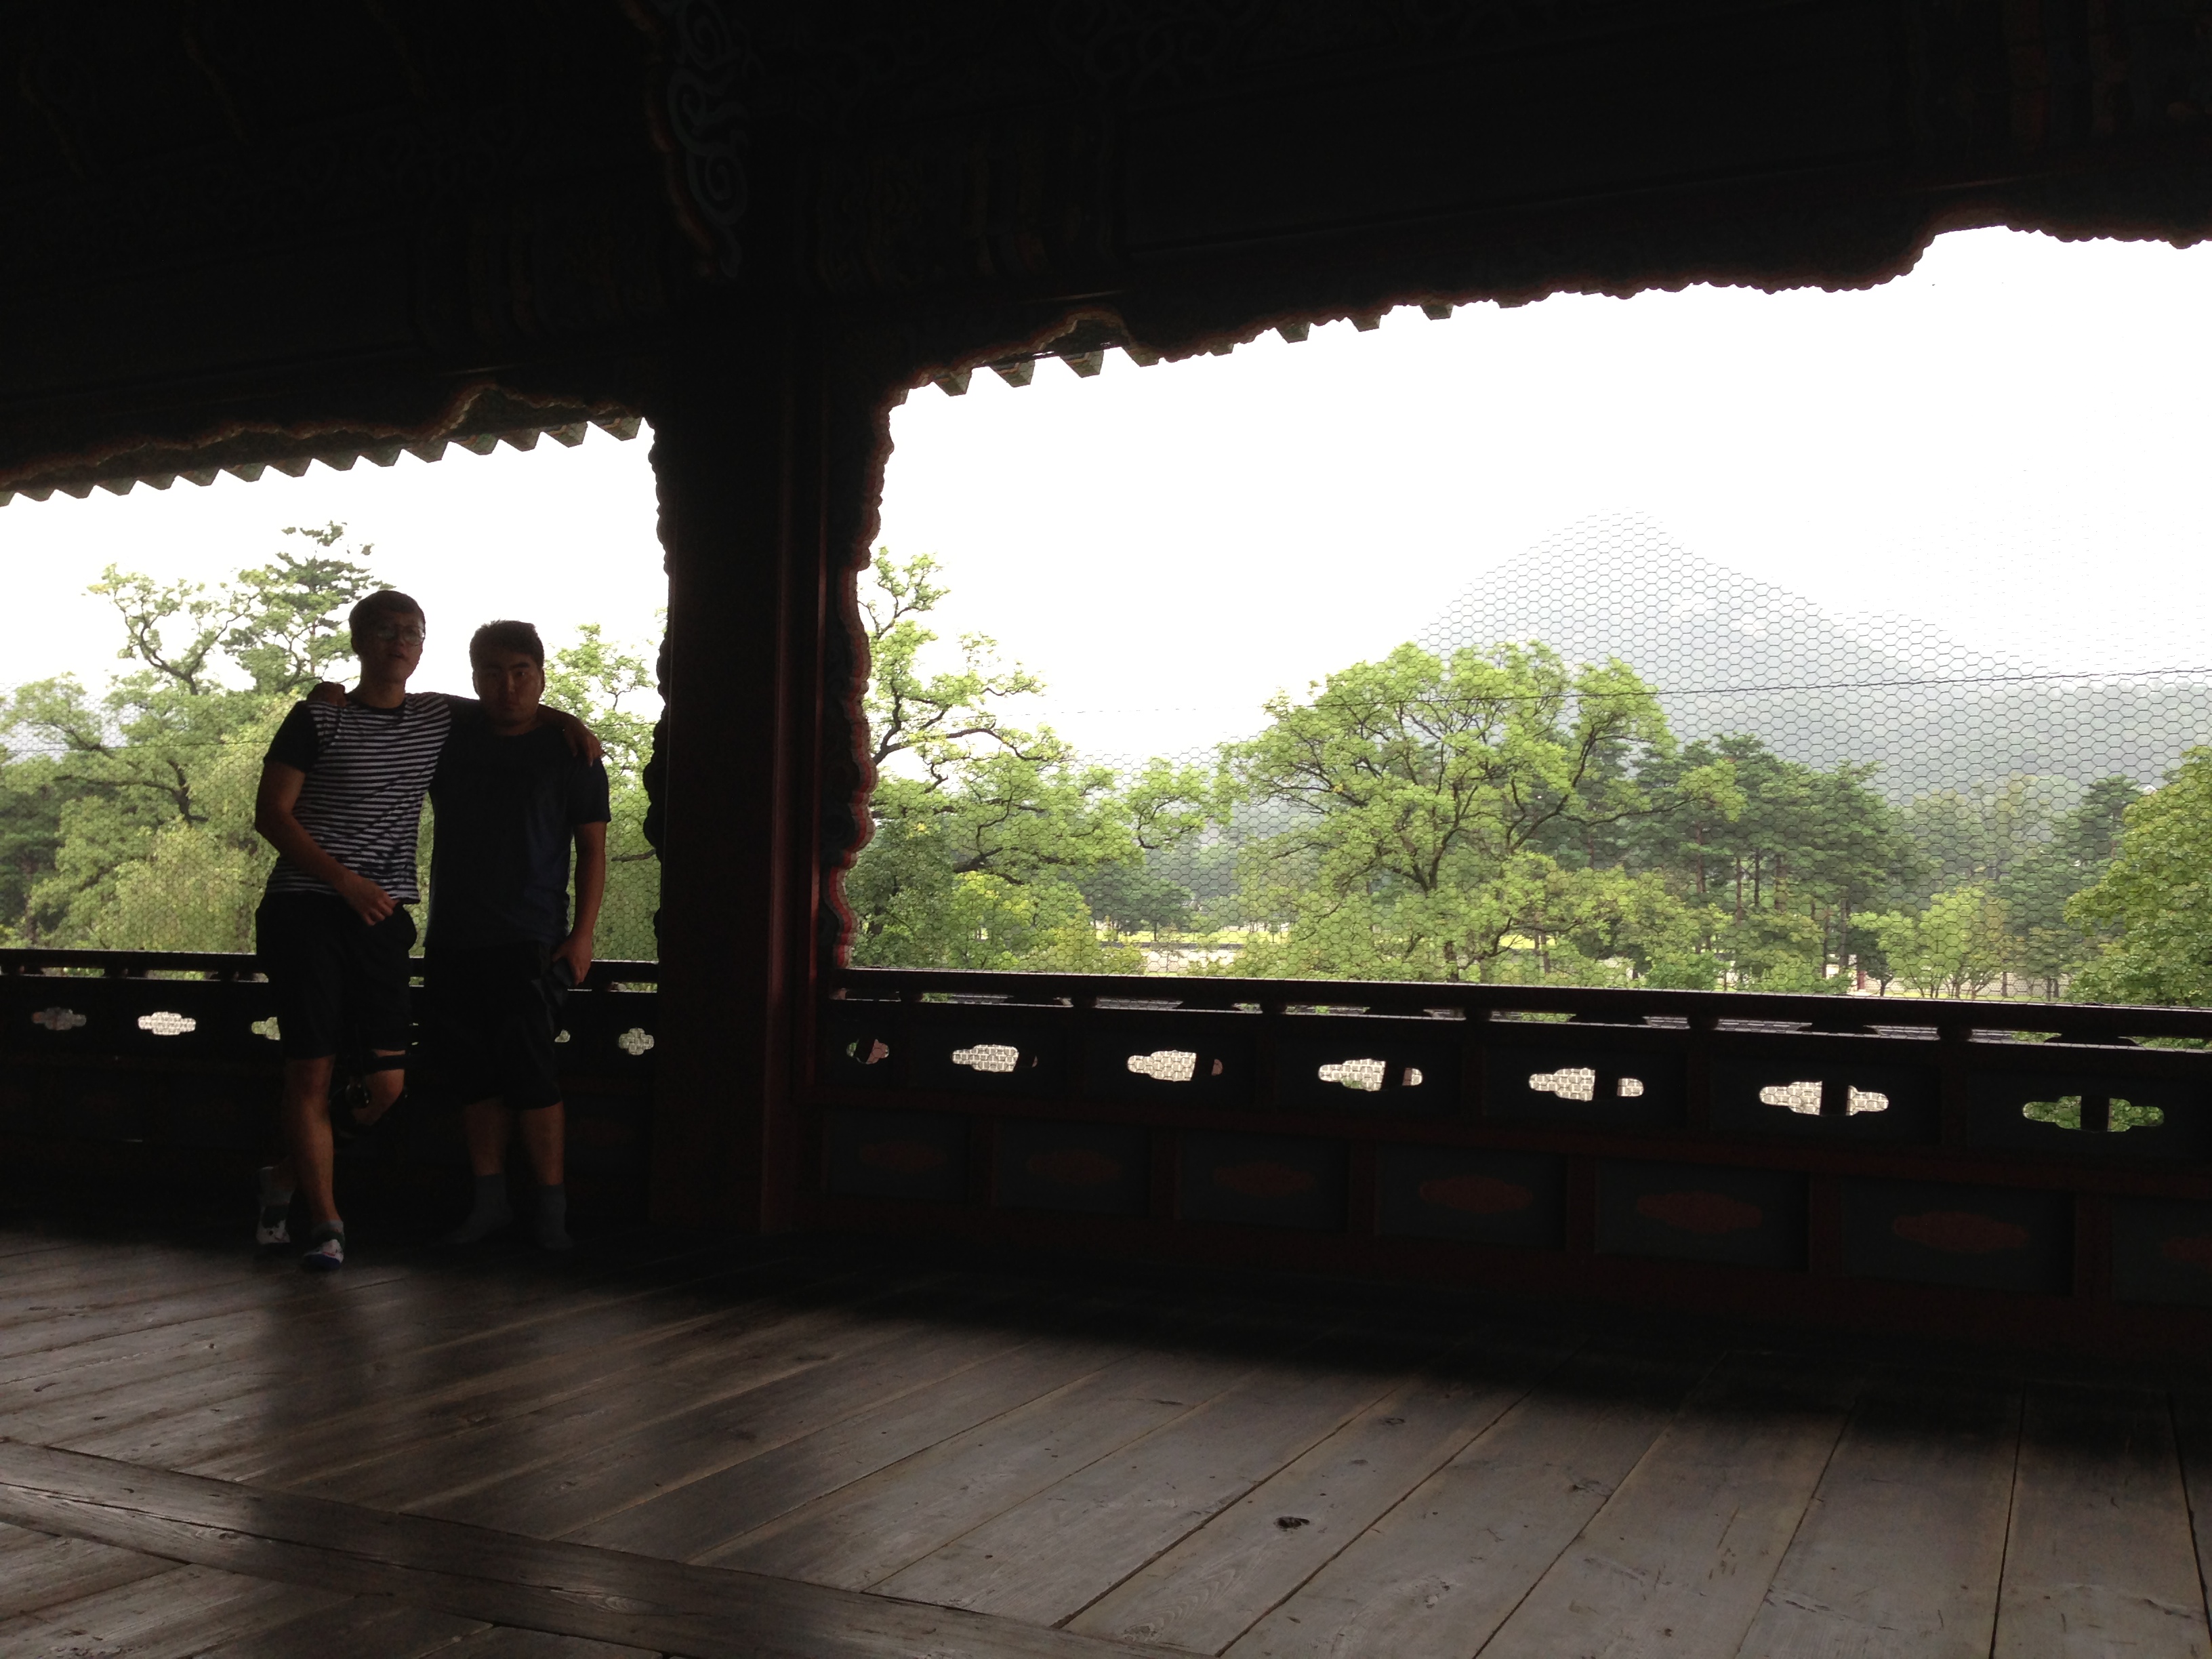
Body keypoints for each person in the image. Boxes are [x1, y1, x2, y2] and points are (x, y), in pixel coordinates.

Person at [252, 595, 598, 1271]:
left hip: (407, 921)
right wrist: (344, 880)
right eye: (386, 631)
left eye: (412, 632)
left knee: (391, 1085)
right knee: (316, 1069)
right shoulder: (326, 717)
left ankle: (287, 1176)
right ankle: (326, 1225)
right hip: (318, 911)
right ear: (360, 642)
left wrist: (569, 719)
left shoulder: (444, 720)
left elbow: (514, 710)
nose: (400, 642)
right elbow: (271, 814)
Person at [427, 619, 609, 1251]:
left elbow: (592, 851)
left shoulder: (572, 754)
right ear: (475, 679)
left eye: (521, 673)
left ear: (541, 676)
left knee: (532, 1075)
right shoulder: (450, 734)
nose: (508, 687)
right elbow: (388, 701)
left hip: (532, 936)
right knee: (473, 1077)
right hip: (453, 935)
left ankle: (552, 1212)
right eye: (493, 674)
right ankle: (490, 1203)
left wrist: (583, 934)